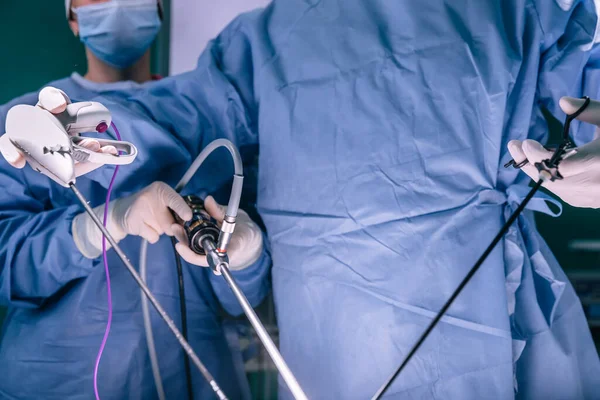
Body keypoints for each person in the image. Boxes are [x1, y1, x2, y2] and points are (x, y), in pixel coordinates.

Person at [6, 0, 600, 399]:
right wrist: (90, 131)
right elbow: (167, 118)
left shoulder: (509, 8)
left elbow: (582, 79)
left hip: (481, 319)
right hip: (331, 343)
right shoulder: (268, 40)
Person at [0, 1, 269, 399]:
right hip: (57, 382)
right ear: (72, 17)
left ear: (159, 10)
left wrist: (247, 255)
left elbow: (249, 297)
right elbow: (7, 264)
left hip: (197, 379)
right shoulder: (29, 129)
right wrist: (108, 222)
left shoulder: (216, 113)